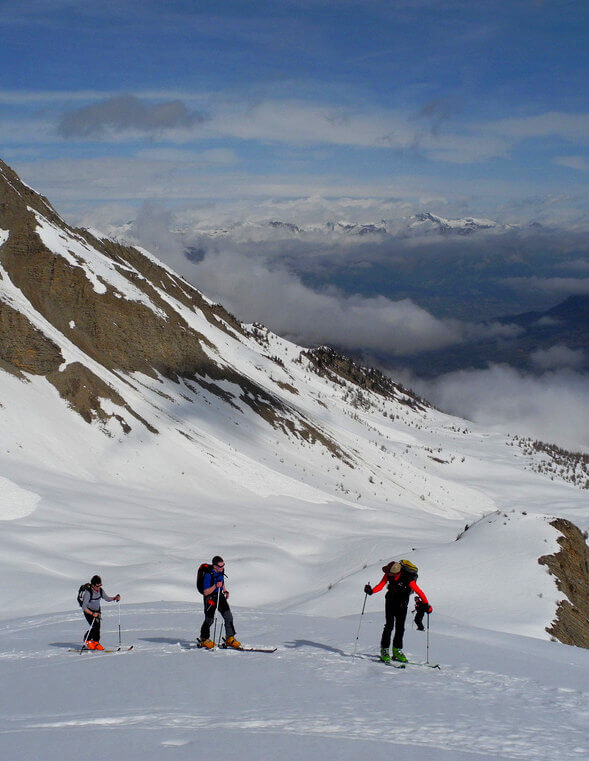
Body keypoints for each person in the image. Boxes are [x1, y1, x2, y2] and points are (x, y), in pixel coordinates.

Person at [364, 560, 432, 663]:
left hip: (402, 604)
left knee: (400, 628)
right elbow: (381, 585)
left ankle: (396, 650)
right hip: (390, 601)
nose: (387, 573)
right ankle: (385, 650)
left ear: (395, 572)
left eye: (389, 572)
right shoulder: (388, 575)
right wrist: (371, 591)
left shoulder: (408, 579)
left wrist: (426, 605)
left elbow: (419, 591)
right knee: (389, 626)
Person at [197, 556, 241, 649]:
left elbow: (222, 581)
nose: (222, 568)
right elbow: (205, 592)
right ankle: (204, 639)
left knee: (228, 616)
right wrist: (215, 586)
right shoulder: (208, 575)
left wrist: (225, 590)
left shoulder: (221, 571)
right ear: (214, 566)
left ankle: (230, 638)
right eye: (220, 566)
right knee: (209, 619)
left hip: (219, 596)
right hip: (210, 598)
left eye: (223, 565)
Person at [81, 574, 121, 650]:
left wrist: (115, 598)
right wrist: (92, 613)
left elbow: (107, 598)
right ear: (93, 585)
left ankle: (96, 642)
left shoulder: (100, 591)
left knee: (98, 627)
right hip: (89, 611)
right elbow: (84, 607)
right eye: (97, 586)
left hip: (97, 611)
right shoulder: (88, 593)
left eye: (100, 585)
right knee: (94, 626)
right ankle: (87, 640)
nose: (99, 587)